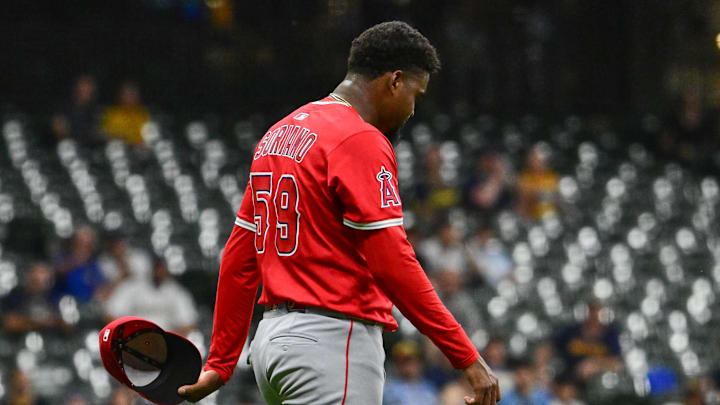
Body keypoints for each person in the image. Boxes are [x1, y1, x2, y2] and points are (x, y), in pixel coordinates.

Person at [178, 21, 500, 405]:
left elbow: (240, 256)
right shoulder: (360, 138)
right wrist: (465, 355)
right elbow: (392, 263)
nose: (413, 110)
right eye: (416, 94)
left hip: (271, 345)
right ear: (395, 81)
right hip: (331, 343)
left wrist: (221, 361)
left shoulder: (277, 135)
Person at [103, 255, 198, 336]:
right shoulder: (132, 286)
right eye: (156, 267)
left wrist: (172, 340)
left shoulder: (176, 292)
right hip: (134, 340)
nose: (159, 271)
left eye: (161, 268)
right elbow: (111, 313)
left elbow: (189, 323)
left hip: (165, 343)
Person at [554, 302, 622, 382]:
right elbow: (551, 347)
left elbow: (617, 364)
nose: (594, 317)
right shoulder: (572, 331)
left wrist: (595, 364)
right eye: (592, 312)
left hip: (599, 382)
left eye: (598, 313)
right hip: (569, 379)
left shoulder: (611, 335)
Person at [2, 261, 63, 334]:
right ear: (29, 275)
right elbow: (10, 323)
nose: (41, 277)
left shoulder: (53, 295)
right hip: (19, 340)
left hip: (51, 340)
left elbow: (68, 323)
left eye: (44, 273)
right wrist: (41, 323)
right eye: (39, 272)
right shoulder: (16, 294)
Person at [50, 75, 104, 147]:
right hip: (67, 147)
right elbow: (58, 129)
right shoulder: (63, 107)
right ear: (76, 89)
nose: (86, 91)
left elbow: (98, 133)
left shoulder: (96, 110)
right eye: (83, 88)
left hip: (90, 148)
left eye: (89, 88)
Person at [383, 340, 439, 405]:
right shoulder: (389, 390)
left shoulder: (430, 388)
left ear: (419, 362)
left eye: (412, 360)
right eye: (403, 361)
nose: (408, 366)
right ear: (397, 364)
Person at [516, 144, 558, 220]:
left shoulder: (551, 177)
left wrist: (535, 193)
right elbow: (523, 199)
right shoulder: (525, 177)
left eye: (537, 160)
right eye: (532, 159)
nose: (533, 162)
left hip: (550, 217)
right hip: (532, 218)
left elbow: (555, 197)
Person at [101, 81, 150, 146]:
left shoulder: (143, 114)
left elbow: (148, 137)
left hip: (138, 150)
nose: (129, 98)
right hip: (117, 149)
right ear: (120, 96)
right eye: (126, 94)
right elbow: (105, 135)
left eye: (132, 95)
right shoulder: (111, 114)